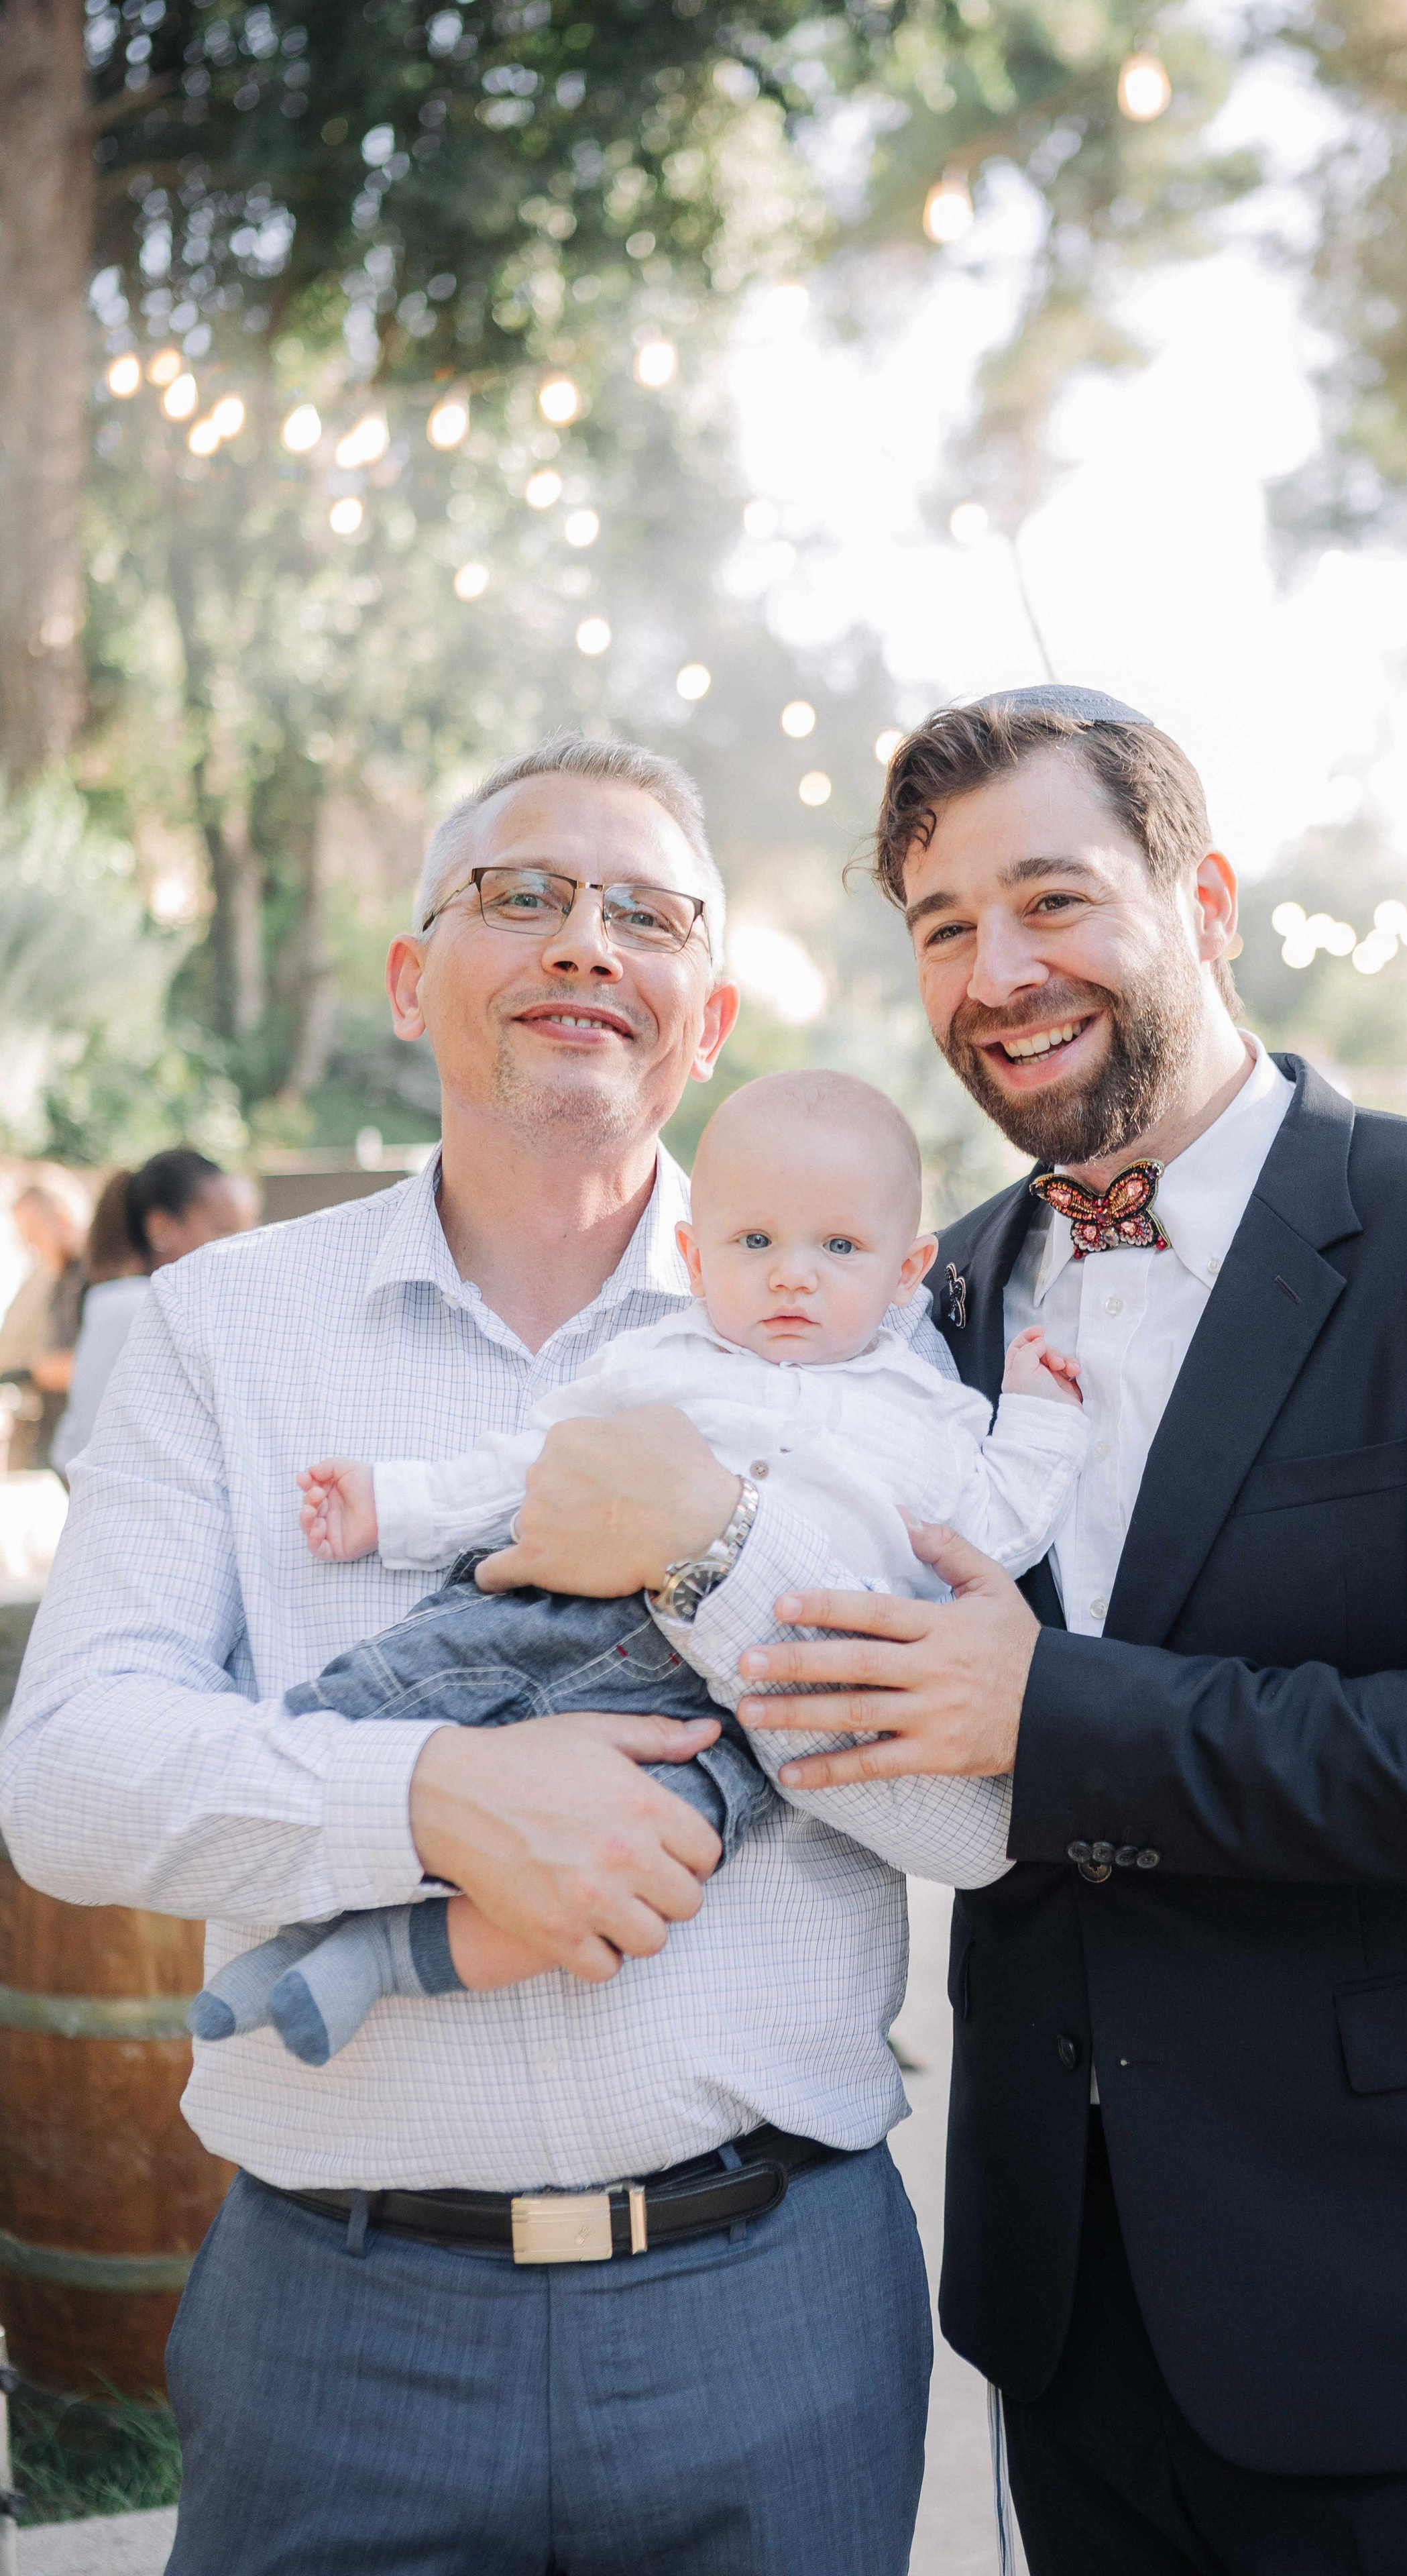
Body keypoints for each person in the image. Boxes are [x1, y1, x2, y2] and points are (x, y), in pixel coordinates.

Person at [493, 687, 1407, 2576]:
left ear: (1203, 894)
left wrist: (1062, 1714)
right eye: (947, 927)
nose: (999, 971)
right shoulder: (920, 1286)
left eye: (1053, 900)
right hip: (1070, 2306)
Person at [0, 731, 1013, 2576]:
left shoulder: (874, 1358)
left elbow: (968, 1826)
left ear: (705, 1020)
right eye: (521, 894)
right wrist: (437, 1797)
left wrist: (710, 1549)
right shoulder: (217, 1334)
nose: (582, 942)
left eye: (645, 913)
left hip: (770, 2305)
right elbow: (69, 1778)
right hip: (340, 2321)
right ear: (411, 977)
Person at [192, 1067, 1084, 2065]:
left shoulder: (934, 1413)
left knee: (643, 1860)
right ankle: (289, 1906)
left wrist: (1042, 1414)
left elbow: (995, 1531)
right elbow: (535, 1464)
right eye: (755, 1243)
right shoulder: (666, 1360)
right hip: (571, 1619)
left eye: (839, 1247)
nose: (794, 1275)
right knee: (417, 1670)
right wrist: (395, 1507)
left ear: (908, 1268)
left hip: (742, 1719)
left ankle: (381, 1961)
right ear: (697, 1257)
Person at [51, 1150, 256, 1471]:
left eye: (251, 1230)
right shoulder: (144, 1306)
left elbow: (68, 1445)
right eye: (225, 1229)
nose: (247, 1246)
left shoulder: (116, 1301)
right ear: (161, 1228)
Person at [0, 1179, 87, 1469]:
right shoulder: (58, 1277)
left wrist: (31, 1369)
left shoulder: (93, 1277)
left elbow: (95, 1364)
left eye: (34, 1234)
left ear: (62, 1218)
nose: (31, 1246)